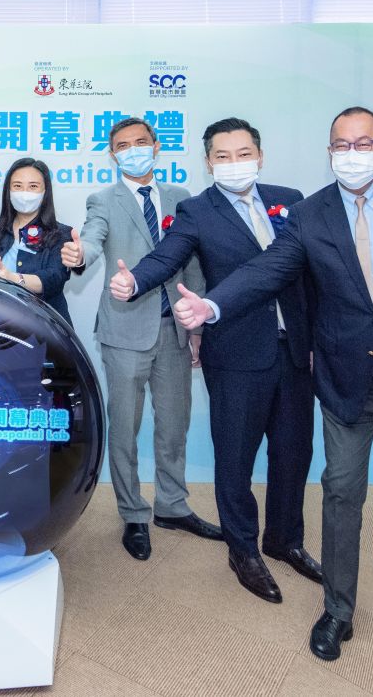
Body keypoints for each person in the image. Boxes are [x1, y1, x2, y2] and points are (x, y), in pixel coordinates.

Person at [171, 107, 373, 683]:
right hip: (346, 381)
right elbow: (267, 271)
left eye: (363, 143)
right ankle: (338, 611)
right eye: (341, 144)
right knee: (341, 499)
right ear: (329, 151)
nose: (352, 152)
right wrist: (211, 305)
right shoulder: (310, 214)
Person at [109, 118, 320, 603]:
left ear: (260, 155)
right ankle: (243, 550)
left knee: (293, 454)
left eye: (243, 153)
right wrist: (135, 281)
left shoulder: (293, 199)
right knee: (235, 459)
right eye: (222, 157)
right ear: (208, 163)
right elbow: (168, 256)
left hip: (294, 350)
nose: (234, 163)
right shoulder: (197, 210)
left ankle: (285, 539)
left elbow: (314, 271)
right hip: (238, 352)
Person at [60, 117, 220, 562]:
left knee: (174, 424)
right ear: (112, 155)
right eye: (123, 146)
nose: (133, 150)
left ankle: (172, 505)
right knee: (126, 429)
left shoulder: (181, 200)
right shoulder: (103, 200)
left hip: (174, 327)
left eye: (140, 143)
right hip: (125, 330)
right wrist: (79, 255)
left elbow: (192, 267)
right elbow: (92, 240)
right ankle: (133, 513)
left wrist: (196, 328)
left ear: (157, 146)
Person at [0, 158, 72, 325]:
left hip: (45, 327)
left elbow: (54, 279)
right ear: (8, 190)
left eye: (33, 186)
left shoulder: (61, 233)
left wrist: (14, 278)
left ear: (45, 191)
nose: (25, 192)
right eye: (17, 186)